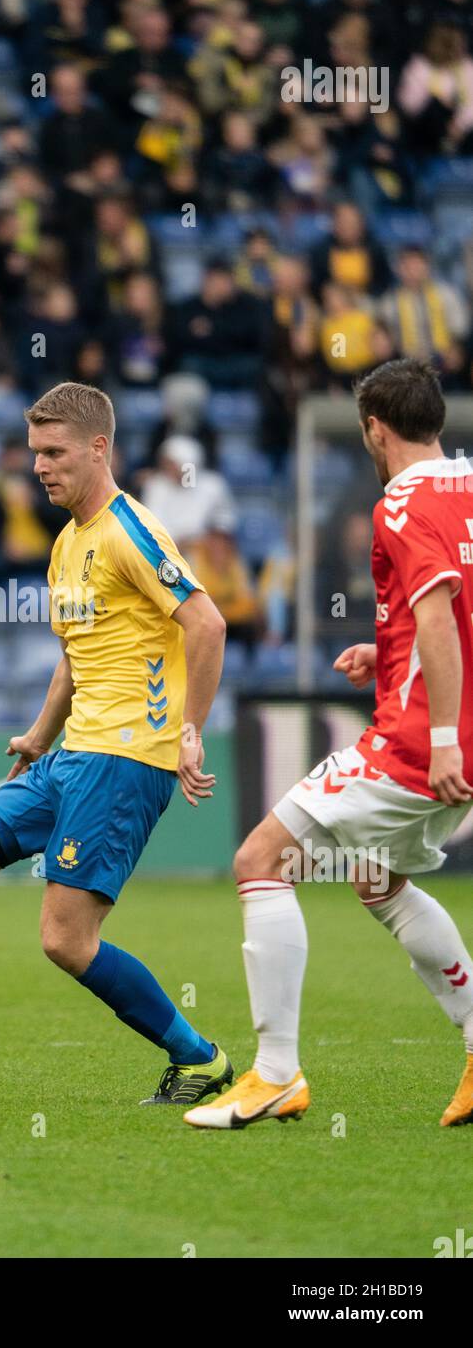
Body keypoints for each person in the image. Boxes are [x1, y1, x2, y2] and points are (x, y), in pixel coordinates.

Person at [0, 382, 230, 1107]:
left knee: (66, 940)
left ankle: (201, 1058)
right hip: (71, 755)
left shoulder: (130, 530)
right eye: (35, 453)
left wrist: (188, 733)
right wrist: (40, 735)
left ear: (98, 449)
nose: (39, 466)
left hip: (127, 759)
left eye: (54, 452)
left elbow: (207, 624)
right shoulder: (68, 543)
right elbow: (78, 652)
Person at [188, 358, 473, 1130]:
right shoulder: (471, 486)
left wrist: (441, 737)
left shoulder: (402, 504)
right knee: (377, 882)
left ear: (375, 429)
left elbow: (444, 617)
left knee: (258, 860)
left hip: (420, 743)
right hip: (459, 737)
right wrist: (390, 651)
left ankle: (276, 1073)